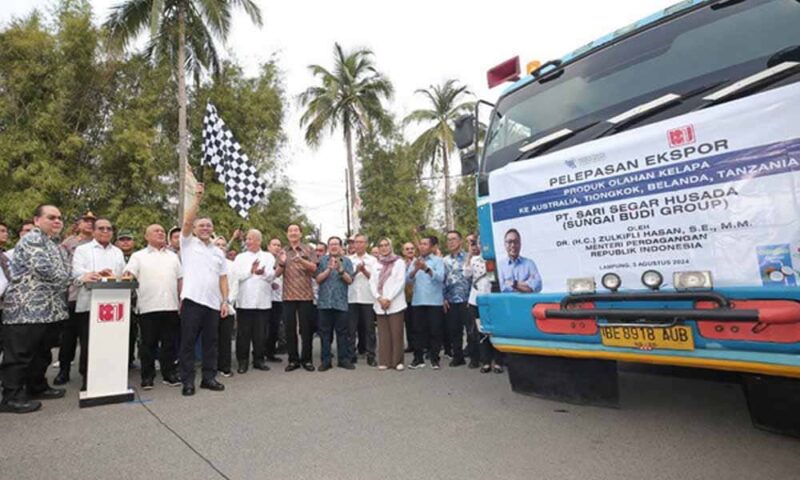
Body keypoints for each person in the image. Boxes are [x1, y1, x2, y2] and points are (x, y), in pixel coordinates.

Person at [1, 205, 71, 413]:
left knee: (41, 352)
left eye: (59, 217)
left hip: (49, 310)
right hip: (27, 309)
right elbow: (45, 270)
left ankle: (36, 386)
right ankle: (11, 397)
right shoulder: (32, 239)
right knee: (20, 355)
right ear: (37, 220)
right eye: (51, 217)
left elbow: (64, 269)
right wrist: (76, 280)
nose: (57, 221)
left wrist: (79, 277)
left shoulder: (54, 244)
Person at [178, 183, 229, 396]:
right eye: (202, 226)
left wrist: (225, 300)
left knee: (211, 343)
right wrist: (197, 199)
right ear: (196, 229)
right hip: (192, 301)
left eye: (209, 226)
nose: (205, 228)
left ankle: (209, 378)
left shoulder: (218, 252)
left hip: (213, 304)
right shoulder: (188, 243)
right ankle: (188, 382)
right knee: (188, 343)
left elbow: (223, 278)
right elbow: (188, 220)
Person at [123, 224, 182, 389]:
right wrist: (126, 275)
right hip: (148, 306)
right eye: (156, 231)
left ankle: (169, 373)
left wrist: (181, 299)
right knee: (148, 344)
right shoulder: (138, 256)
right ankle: (147, 376)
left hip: (170, 305)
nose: (161, 233)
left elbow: (180, 279)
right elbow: (129, 274)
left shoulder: (173, 256)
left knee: (169, 343)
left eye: (163, 231)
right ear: (146, 236)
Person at [72, 218, 126, 389]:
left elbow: (122, 274)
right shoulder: (82, 250)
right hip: (90, 304)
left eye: (109, 229)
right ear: (94, 231)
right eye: (101, 228)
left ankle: (111, 378)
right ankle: (88, 380)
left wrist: (112, 275)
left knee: (111, 343)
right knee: (89, 344)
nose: (105, 232)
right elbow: (76, 273)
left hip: (114, 306)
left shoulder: (117, 251)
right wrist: (95, 274)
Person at [54, 211, 95, 386]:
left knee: (89, 337)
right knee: (69, 336)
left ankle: (87, 372)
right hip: (73, 294)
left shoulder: (98, 243)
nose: (89, 224)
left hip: (95, 297)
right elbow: (62, 267)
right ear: (78, 224)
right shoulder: (68, 243)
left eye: (92, 221)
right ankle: (64, 370)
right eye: (85, 221)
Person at [274, 224, 318, 372]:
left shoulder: (309, 249)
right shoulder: (282, 251)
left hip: (306, 295)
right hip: (288, 295)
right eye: (290, 231)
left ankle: (307, 360)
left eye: (296, 230)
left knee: (306, 329)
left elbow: (314, 269)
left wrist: (302, 261)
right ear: (287, 234)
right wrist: (282, 262)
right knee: (289, 329)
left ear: (300, 234)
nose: (293, 233)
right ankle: (293, 360)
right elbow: (277, 273)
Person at [232, 229, 274, 374]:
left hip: (263, 301)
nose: (248, 241)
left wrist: (263, 273)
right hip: (245, 301)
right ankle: (242, 362)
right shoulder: (240, 257)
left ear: (259, 241)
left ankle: (259, 360)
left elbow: (272, 276)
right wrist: (250, 271)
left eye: (251, 239)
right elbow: (236, 276)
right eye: (248, 239)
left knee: (260, 334)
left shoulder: (268, 257)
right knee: (243, 334)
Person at [315, 236, 354, 371]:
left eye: (336, 244)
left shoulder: (347, 261)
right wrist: (328, 270)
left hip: (341, 302)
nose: (333, 247)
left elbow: (350, 280)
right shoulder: (321, 261)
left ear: (341, 246)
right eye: (331, 244)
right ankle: (326, 361)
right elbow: (318, 279)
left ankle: (343, 359)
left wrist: (340, 270)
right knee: (325, 334)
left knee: (342, 333)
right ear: (328, 247)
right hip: (324, 303)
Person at [406, 235, 445, 370]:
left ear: (432, 247)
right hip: (418, 301)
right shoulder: (415, 261)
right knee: (417, 331)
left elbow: (440, 278)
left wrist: (426, 269)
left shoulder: (438, 260)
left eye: (425, 244)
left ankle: (435, 359)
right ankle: (418, 358)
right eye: (420, 244)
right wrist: (416, 268)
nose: (421, 246)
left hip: (434, 301)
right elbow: (407, 280)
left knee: (435, 330)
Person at [464, 233, 500, 372]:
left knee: (494, 330)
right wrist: (469, 254)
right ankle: (485, 361)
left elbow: (493, 279)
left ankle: (498, 361)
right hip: (476, 300)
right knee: (481, 331)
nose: (481, 245)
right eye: (479, 242)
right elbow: (466, 274)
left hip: (492, 299)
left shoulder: (494, 259)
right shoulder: (474, 260)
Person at [370, 238, 407, 371]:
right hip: (380, 303)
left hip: (395, 302)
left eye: (386, 245)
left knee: (396, 333)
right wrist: (379, 298)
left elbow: (400, 282)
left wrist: (389, 298)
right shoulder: (375, 264)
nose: (384, 248)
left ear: (391, 247)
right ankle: (385, 360)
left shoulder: (399, 262)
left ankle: (397, 361)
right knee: (383, 333)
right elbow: (372, 283)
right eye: (381, 246)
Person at [443, 230, 474, 368]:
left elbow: (474, 279)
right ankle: (458, 357)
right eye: (448, 239)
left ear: (460, 241)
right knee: (454, 331)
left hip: (467, 299)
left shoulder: (469, 257)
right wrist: (443, 298)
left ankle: (475, 357)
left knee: (471, 330)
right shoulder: (444, 260)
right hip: (451, 300)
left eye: (454, 239)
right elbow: (442, 281)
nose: (451, 242)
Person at [347, 233, 377, 366]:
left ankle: (371, 354)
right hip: (352, 297)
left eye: (361, 242)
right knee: (351, 329)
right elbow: (346, 278)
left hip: (367, 298)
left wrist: (363, 270)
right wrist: (356, 271)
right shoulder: (348, 259)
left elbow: (375, 278)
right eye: (356, 242)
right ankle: (351, 354)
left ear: (366, 244)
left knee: (369, 329)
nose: (358, 245)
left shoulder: (373, 260)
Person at [213, 236, 237, 377]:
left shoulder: (232, 265)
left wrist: (227, 302)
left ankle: (224, 367)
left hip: (227, 306)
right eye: (218, 244)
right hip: (210, 306)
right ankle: (211, 366)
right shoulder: (207, 263)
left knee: (225, 338)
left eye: (223, 245)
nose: (221, 247)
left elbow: (234, 286)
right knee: (211, 339)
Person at [116, 230, 139, 369]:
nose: (125, 242)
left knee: (132, 332)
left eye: (128, 239)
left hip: (134, 300)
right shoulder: (113, 255)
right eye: (122, 239)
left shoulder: (138, 256)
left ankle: (129, 359)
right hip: (115, 298)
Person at [499, 229, 542, 293]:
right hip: (508, 302)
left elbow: (537, 285)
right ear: (505, 244)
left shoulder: (529, 264)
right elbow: (502, 288)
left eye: (516, 242)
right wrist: (525, 284)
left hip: (527, 302)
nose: (513, 245)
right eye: (510, 242)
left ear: (520, 244)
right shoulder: (500, 266)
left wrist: (514, 284)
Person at [264, 237, 285, 362]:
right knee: (263, 327)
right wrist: (270, 283)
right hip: (266, 298)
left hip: (279, 298)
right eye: (274, 244)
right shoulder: (265, 258)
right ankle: (260, 352)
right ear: (268, 246)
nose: (277, 247)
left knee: (274, 327)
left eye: (279, 245)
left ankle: (270, 352)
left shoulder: (282, 258)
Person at [401, 242, 416, 353]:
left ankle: (421, 345)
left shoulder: (418, 262)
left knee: (419, 323)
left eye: (411, 248)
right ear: (403, 251)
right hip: (405, 297)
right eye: (407, 249)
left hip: (417, 296)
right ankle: (411, 344)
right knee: (409, 322)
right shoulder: (400, 264)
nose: (410, 251)